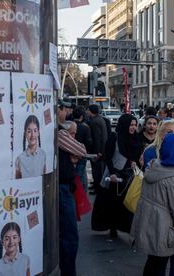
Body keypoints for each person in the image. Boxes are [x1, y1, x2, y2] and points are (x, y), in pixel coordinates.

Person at [141, 120, 174, 276]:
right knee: (159, 250)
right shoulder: (150, 151)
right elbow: (151, 180)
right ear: (160, 133)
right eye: (169, 132)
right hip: (160, 209)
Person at [131, 134, 174, 276]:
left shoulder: (153, 165)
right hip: (162, 224)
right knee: (160, 263)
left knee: (152, 261)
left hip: (147, 220)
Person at [91, 114, 142, 238]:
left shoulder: (135, 138)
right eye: (131, 125)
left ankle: (126, 227)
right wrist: (113, 172)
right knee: (112, 202)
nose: (133, 128)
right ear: (124, 124)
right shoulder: (115, 137)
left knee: (127, 202)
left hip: (129, 175)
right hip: (114, 174)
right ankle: (112, 228)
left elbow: (137, 155)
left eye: (135, 125)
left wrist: (135, 161)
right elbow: (108, 157)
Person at [57, 102, 87, 276]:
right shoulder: (60, 132)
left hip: (61, 187)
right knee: (69, 236)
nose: (67, 111)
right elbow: (81, 149)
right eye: (63, 108)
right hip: (62, 189)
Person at [15, 115, 46, 179]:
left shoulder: (43, 154)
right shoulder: (19, 159)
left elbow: (45, 178)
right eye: (29, 131)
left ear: (38, 132)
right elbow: (17, 184)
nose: (32, 135)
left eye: (35, 131)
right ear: (25, 133)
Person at [87, 104, 108, 195]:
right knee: (98, 171)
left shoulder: (95, 122)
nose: (87, 112)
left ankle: (98, 189)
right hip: (101, 150)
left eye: (88, 110)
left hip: (98, 152)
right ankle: (96, 186)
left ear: (91, 111)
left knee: (97, 172)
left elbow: (97, 138)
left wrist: (98, 152)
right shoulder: (100, 119)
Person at [73, 106, 92, 191]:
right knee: (80, 176)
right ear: (82, 116)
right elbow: (88, 143)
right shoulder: (85, 127)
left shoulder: (68, 126)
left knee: (81, 174)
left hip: (71, 155)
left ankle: (83, 191)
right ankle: (81, 193)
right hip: (82, 155)